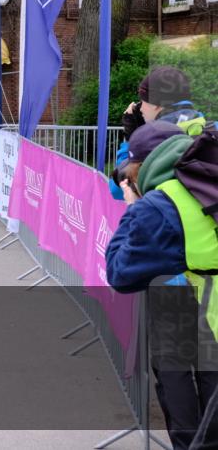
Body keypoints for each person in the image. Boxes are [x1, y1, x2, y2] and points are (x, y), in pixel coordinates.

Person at [106, 121, 218, 450]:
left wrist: (134, 209)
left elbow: (120, 271)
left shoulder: (163, 205)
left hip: (186, 303)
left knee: (177, 375)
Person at [110, 66, 211, 200]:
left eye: (143, 101)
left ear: (155, 104)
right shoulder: (211, 128)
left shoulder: (154, 140)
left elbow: (118, 188)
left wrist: (133, 139)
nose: (140, 108)